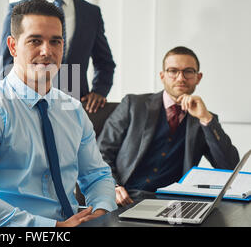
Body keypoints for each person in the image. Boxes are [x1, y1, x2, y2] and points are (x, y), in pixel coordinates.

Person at [0, 0, 117, 227]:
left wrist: (101, 212)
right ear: (12, 47)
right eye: (35, 41)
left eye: (55, 42)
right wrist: (53, 229)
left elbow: (97, 175)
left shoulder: (73, 110)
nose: (47, 51)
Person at [98, 46, 240, 206]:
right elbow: (101, 153)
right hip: (126, 198)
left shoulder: (204, 118)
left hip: (175, 204)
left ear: (198, 78)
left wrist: (206, 119)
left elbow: (229, 167)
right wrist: (113, 186)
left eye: (188, 71)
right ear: (162, 76)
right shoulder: (133, 105)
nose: (180, 78)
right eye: (173, 71)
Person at [0, 0, 116, 114]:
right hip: (28, 103)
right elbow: (5, 62)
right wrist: (14, 101)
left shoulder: (91, 13)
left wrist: (99, 91)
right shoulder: (19, 9)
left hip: (76, 104)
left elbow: (105, 63)